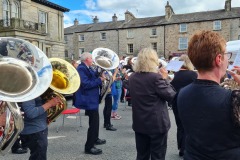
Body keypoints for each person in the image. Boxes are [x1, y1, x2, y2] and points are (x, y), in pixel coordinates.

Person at [177, 30, 240, 159]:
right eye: (226, 55)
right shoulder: (232, 98)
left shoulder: (183, 93)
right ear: (219, 59)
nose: (228, 59)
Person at [128, 48, 176, 160]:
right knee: (158, 156)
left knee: (142, 155)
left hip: (140, 123)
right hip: (157, 124)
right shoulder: (156, 78)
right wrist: (165, 79)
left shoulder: (133, 77)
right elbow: (172, 96)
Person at [73, 52, 106, 155]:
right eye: (91, 58)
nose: (93, 60)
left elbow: (92, 76)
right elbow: (86, 84)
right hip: (88, 100)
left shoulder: (88, 67)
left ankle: (95, 139)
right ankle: (89, 147)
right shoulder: (81, 69)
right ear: (87, 59)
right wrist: (99, 80)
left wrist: (100, 74)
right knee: (94, 123)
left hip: (93, 100)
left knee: (95, 121)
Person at [170, 54, 197, 157]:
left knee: (180, 125)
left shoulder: (174, 75)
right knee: (189, 126)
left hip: (176, 102)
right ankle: (186, 148)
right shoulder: (193, 75)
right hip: (190, 102)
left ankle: (181, 148)